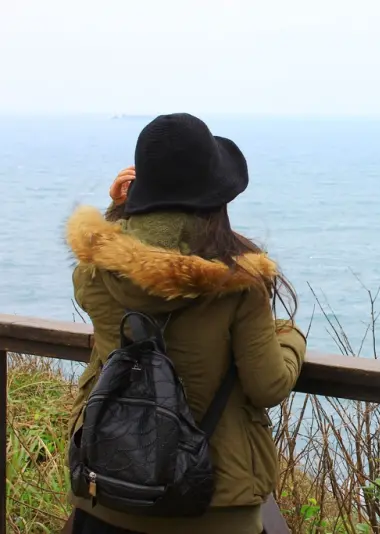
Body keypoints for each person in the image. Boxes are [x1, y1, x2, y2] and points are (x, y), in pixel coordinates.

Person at [64, 113, 307, 534]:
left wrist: (119, 209)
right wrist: (289, 337)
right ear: (216, 195)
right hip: (212, 505)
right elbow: (268, 386)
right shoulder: (238, 284)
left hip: (108, 494)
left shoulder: (94, 274)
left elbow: (123, 254)